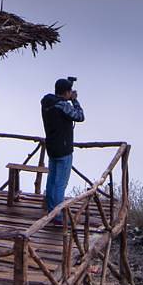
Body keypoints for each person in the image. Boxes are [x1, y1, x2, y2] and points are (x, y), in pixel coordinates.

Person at [40, 78, 84, 223]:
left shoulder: (47, 102)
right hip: (64, 149)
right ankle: (57, 215)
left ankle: (50, 208)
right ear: (66, 92)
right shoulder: (63, 105)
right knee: (60, 184)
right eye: (69, 91)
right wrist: (75, 101)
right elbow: (80, 116)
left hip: (52, 147)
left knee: (52, 180)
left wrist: (68, 98)